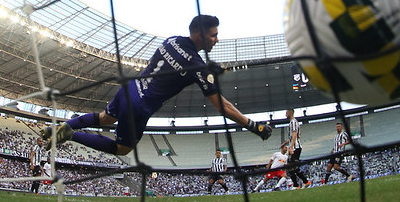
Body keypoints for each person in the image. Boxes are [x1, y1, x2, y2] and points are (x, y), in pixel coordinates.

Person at [42, 15, 272, 155]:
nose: (217, 39)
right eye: (214, 35)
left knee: (104, 118)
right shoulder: (197, 66)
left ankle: (60, 128)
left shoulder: (170, 40)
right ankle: (70, 134)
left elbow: (178, 65)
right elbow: (223, 106)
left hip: (130, 89)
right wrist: (253, 125)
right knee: (122, 149)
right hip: (140, 106)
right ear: (201, 35)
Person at [285, 108, 310, 188]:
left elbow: (295, 135)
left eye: (286, 113)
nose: (285, 114)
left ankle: (300, 184)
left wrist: (291, 148)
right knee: (290, 166)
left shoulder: (293, 122)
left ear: (290, 113)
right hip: (294, 146)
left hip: (296, 147)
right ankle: (302, 183)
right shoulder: (292, 122)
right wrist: (285, 143)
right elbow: (292, 136)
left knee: (291, 166)